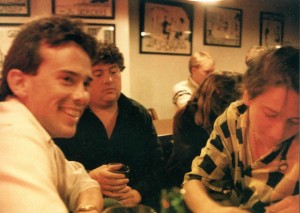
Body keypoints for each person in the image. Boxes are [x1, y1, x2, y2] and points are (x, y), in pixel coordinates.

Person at [0, 16, 103, 212]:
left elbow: (81, 179)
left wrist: (87, 208)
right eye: (67, 79)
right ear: (19, 83)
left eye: (85, 83)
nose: (83, 96)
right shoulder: (12, 139)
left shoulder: (38, 135)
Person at [182, 46, 299, 213]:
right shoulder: (235, 118)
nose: (278, 133)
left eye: (295, 121)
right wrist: (213, 210)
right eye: (270, 114)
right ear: (248, 96)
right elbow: (195, 180)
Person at [54, 42, 165, 211]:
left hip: (133, 206)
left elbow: (157, 167)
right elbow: (54, 170)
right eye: (98, 74)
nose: (109, 80)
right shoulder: (70, 115)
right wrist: (89, 177)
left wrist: (138, 193)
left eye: (114, 71)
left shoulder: (138, 114)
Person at [166, 71, 244, 188]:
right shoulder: (189, 117)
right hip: (182, 183)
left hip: (188, 180)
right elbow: (194, 168)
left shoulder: (189, 113)